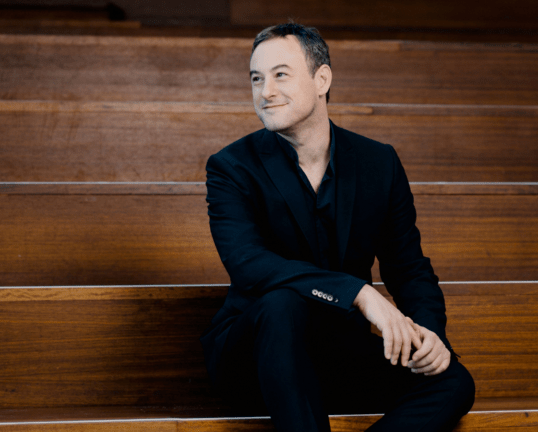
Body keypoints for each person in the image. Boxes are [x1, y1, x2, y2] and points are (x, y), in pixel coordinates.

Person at [200, 22, 475, 432]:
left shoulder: (378, 163)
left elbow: (408, 267)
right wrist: (360, 293)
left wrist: (430, 334)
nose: (265, 92)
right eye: (256, 79)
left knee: (453, 380)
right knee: (281, 303)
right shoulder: (231, 167)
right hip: (260, 357)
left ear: (322, 78)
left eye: (280, 75)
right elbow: (250, 266)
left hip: (337, 351)